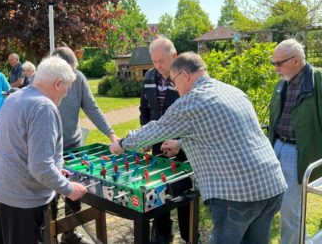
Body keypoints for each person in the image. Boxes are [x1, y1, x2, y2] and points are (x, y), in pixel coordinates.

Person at [110, 52, 287, 244]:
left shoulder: (191, 101)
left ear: (184, 75)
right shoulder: (232, 91)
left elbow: (155, 130)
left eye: (173, 82)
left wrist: (122, 144)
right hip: (272, 185)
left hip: (237, 194)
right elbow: (225, 132)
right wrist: (180, 143)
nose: (175, 88)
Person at [0, 56, 87, 244]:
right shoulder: (44, 107)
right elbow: (40, 167)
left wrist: (55, 169)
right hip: (19, 202)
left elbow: (16, 146)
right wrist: (69, 188)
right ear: (57, 83)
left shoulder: (15, 96)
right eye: (67, 86)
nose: (67, 92)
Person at [51, 46, 119, 244]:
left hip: (73, 144)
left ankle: (69, 232)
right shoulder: (44, 80)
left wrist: (111, 133)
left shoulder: (79, 78)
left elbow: (92, 107)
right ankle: (50, 235)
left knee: (76, 191)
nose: (71, 76)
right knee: (51, 195)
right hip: (51, 148)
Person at [269, 38, 322, 244]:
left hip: (299, 152)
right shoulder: (281, 83)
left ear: (296, 61)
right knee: (274, 200)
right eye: (273, 63)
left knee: (290, 207)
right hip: (277, 147)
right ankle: (302, 239)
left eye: (279, 63)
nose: (275, 68)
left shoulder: (318, 81)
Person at [140, 35, 187, 243]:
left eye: (162, 61)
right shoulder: (149, 77)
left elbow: (193, 116)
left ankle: (188, 236)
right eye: (154, 61)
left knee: (184, 195)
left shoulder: (186, 77)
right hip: (158, 145)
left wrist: (179, 142)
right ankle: (163, 234)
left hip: (183, 147)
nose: (158, 65)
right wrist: (146, 137)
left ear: (174, 56)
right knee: (157, 191)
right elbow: (145, 110)